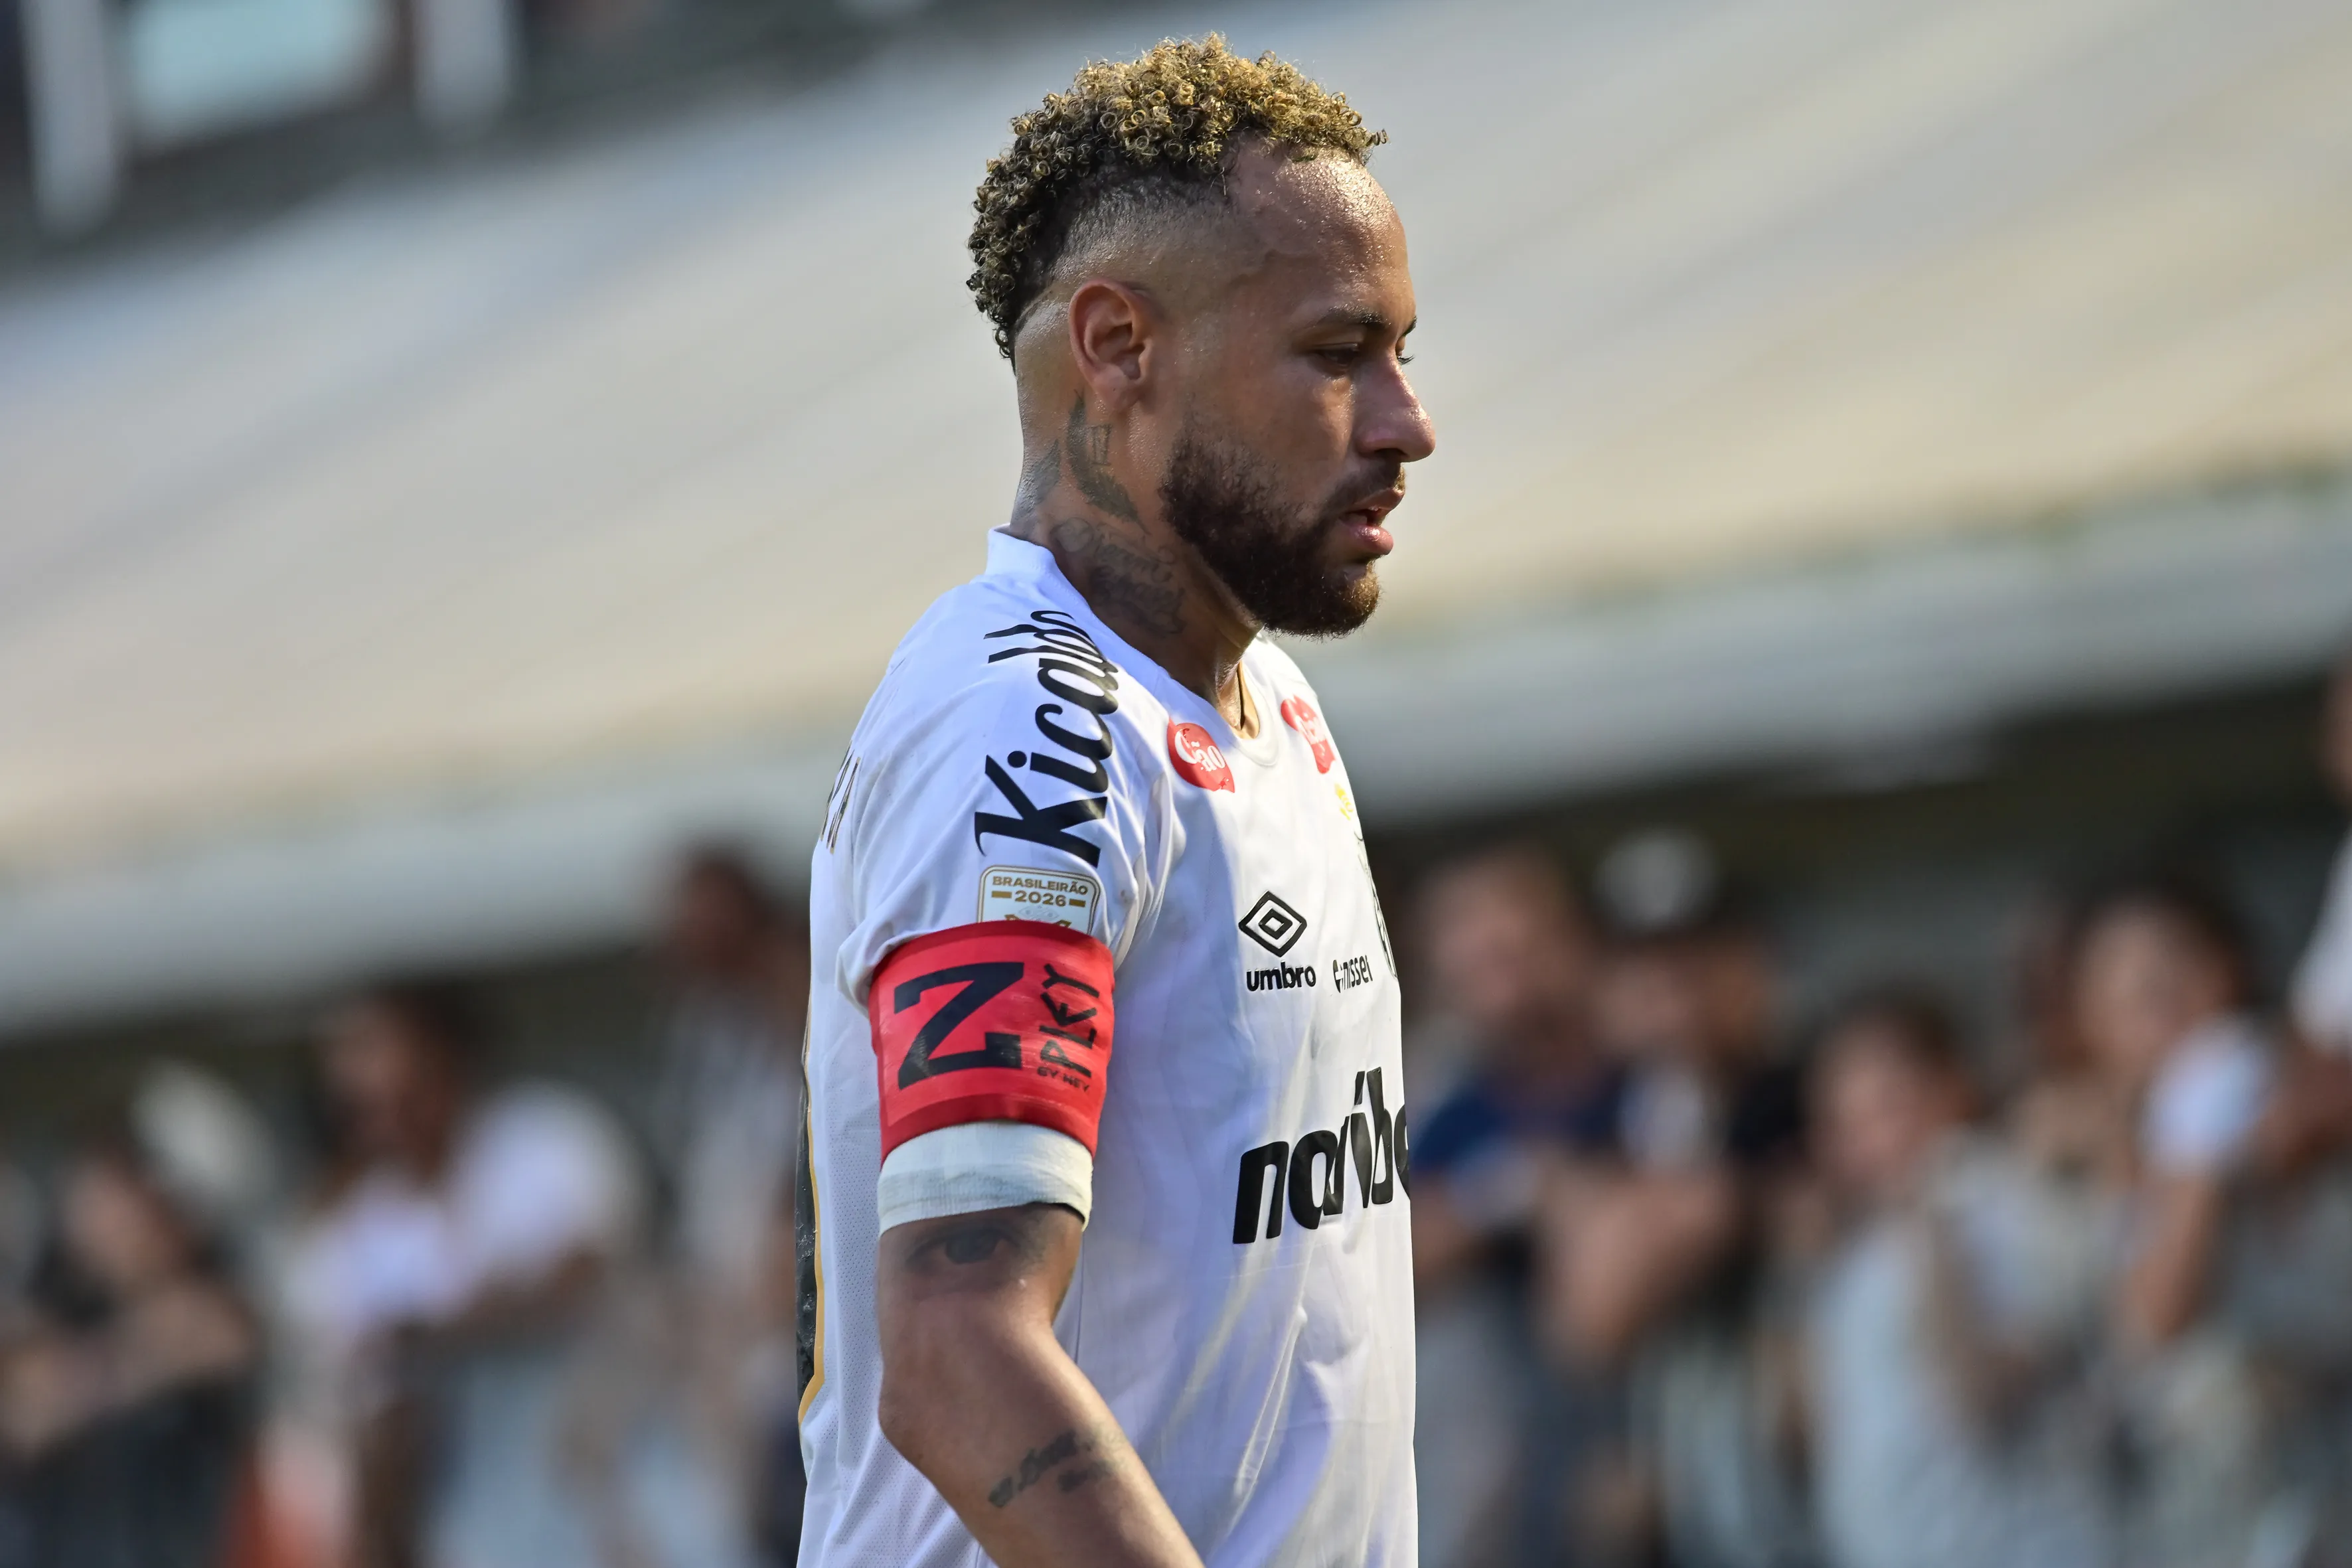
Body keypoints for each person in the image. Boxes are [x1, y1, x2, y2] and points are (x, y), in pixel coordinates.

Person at [798, 35, 1435, 1568]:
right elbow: (958, 1350)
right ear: (1117, 343)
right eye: (1338, 351)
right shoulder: (1025, 735)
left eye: (1401, 352)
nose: (1407, 422)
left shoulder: (1257, 693)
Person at [277, 982, 644, 1568]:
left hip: (604, 1477)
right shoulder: (342, 1236)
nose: (376, 1102)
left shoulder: (545, 1139)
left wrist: (433, 1336)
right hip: (467, 1525)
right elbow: (364, 1416)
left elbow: (583, 1277)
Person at [1800, 988, 2112, 1568]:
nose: (1876, 1141)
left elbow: (1983, 1397)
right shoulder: (1860, 1246)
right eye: (1849, 1121)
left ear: (1956, 1088)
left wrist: (1933, 1243)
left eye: (1893, 1105)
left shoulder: (2010, 1206)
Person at [1403, 845, 1614, 1567]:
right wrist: (1512, 1191)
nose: (1491, 969)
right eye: (1468, 953)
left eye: (1511, 945)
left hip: (1629, 1438)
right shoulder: (1454, 1107)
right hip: (1498, 1483)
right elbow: (1394, 1263)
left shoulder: (1636, 1078)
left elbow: (1605, 1303)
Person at [0, 1119, 260, 1568]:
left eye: (110, 1197)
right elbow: (22, 1413)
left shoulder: (211, 1306)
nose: (85, 1215)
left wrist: (83, 1378)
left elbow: (218, 1335)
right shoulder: (66, 1306)